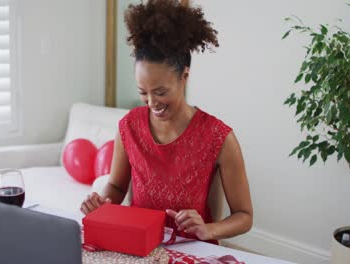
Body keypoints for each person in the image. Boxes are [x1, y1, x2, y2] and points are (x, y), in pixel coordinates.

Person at [80, 0, 252, 244]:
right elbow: (117, 187)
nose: (151, 102)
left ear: (184, 76)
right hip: (138, 244)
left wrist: (209, 229)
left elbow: (244, 216)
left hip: (192, 248)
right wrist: (101, 201)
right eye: (143, 92)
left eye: (160, 92)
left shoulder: (219, 137)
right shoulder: (128, 126)